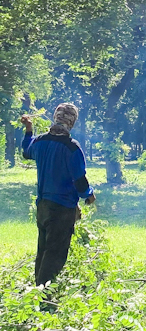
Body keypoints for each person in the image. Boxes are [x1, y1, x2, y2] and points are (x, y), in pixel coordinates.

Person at [21, 103, 95, 286]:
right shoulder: (72, 148)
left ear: (56, 117)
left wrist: (29, 130)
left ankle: (35, 293)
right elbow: (79, 179)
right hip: (62, 209)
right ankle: (43, 295)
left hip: (43, 205)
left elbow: (26, 152)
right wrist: (88, 195)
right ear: (72, 122)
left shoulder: (39, 141)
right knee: (55, 254)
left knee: (43, 249)